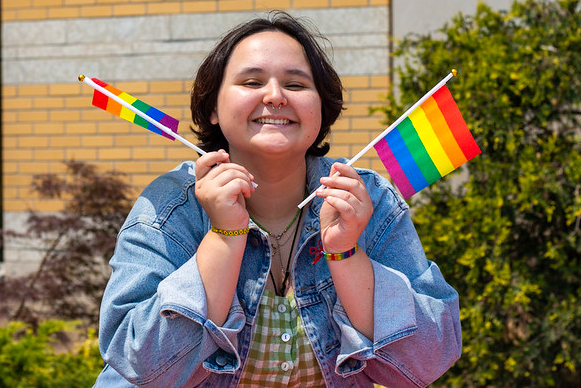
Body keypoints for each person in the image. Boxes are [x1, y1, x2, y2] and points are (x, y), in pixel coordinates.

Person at [93, 11, 461, 387]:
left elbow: (427, 360)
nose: (275, 96)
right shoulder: (170, 206)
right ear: (214, 108)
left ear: (322, 107)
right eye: (251, 81)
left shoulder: (368, 197)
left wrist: (345, 253)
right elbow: (142, 366)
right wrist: (224, 237)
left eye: (297, 85)